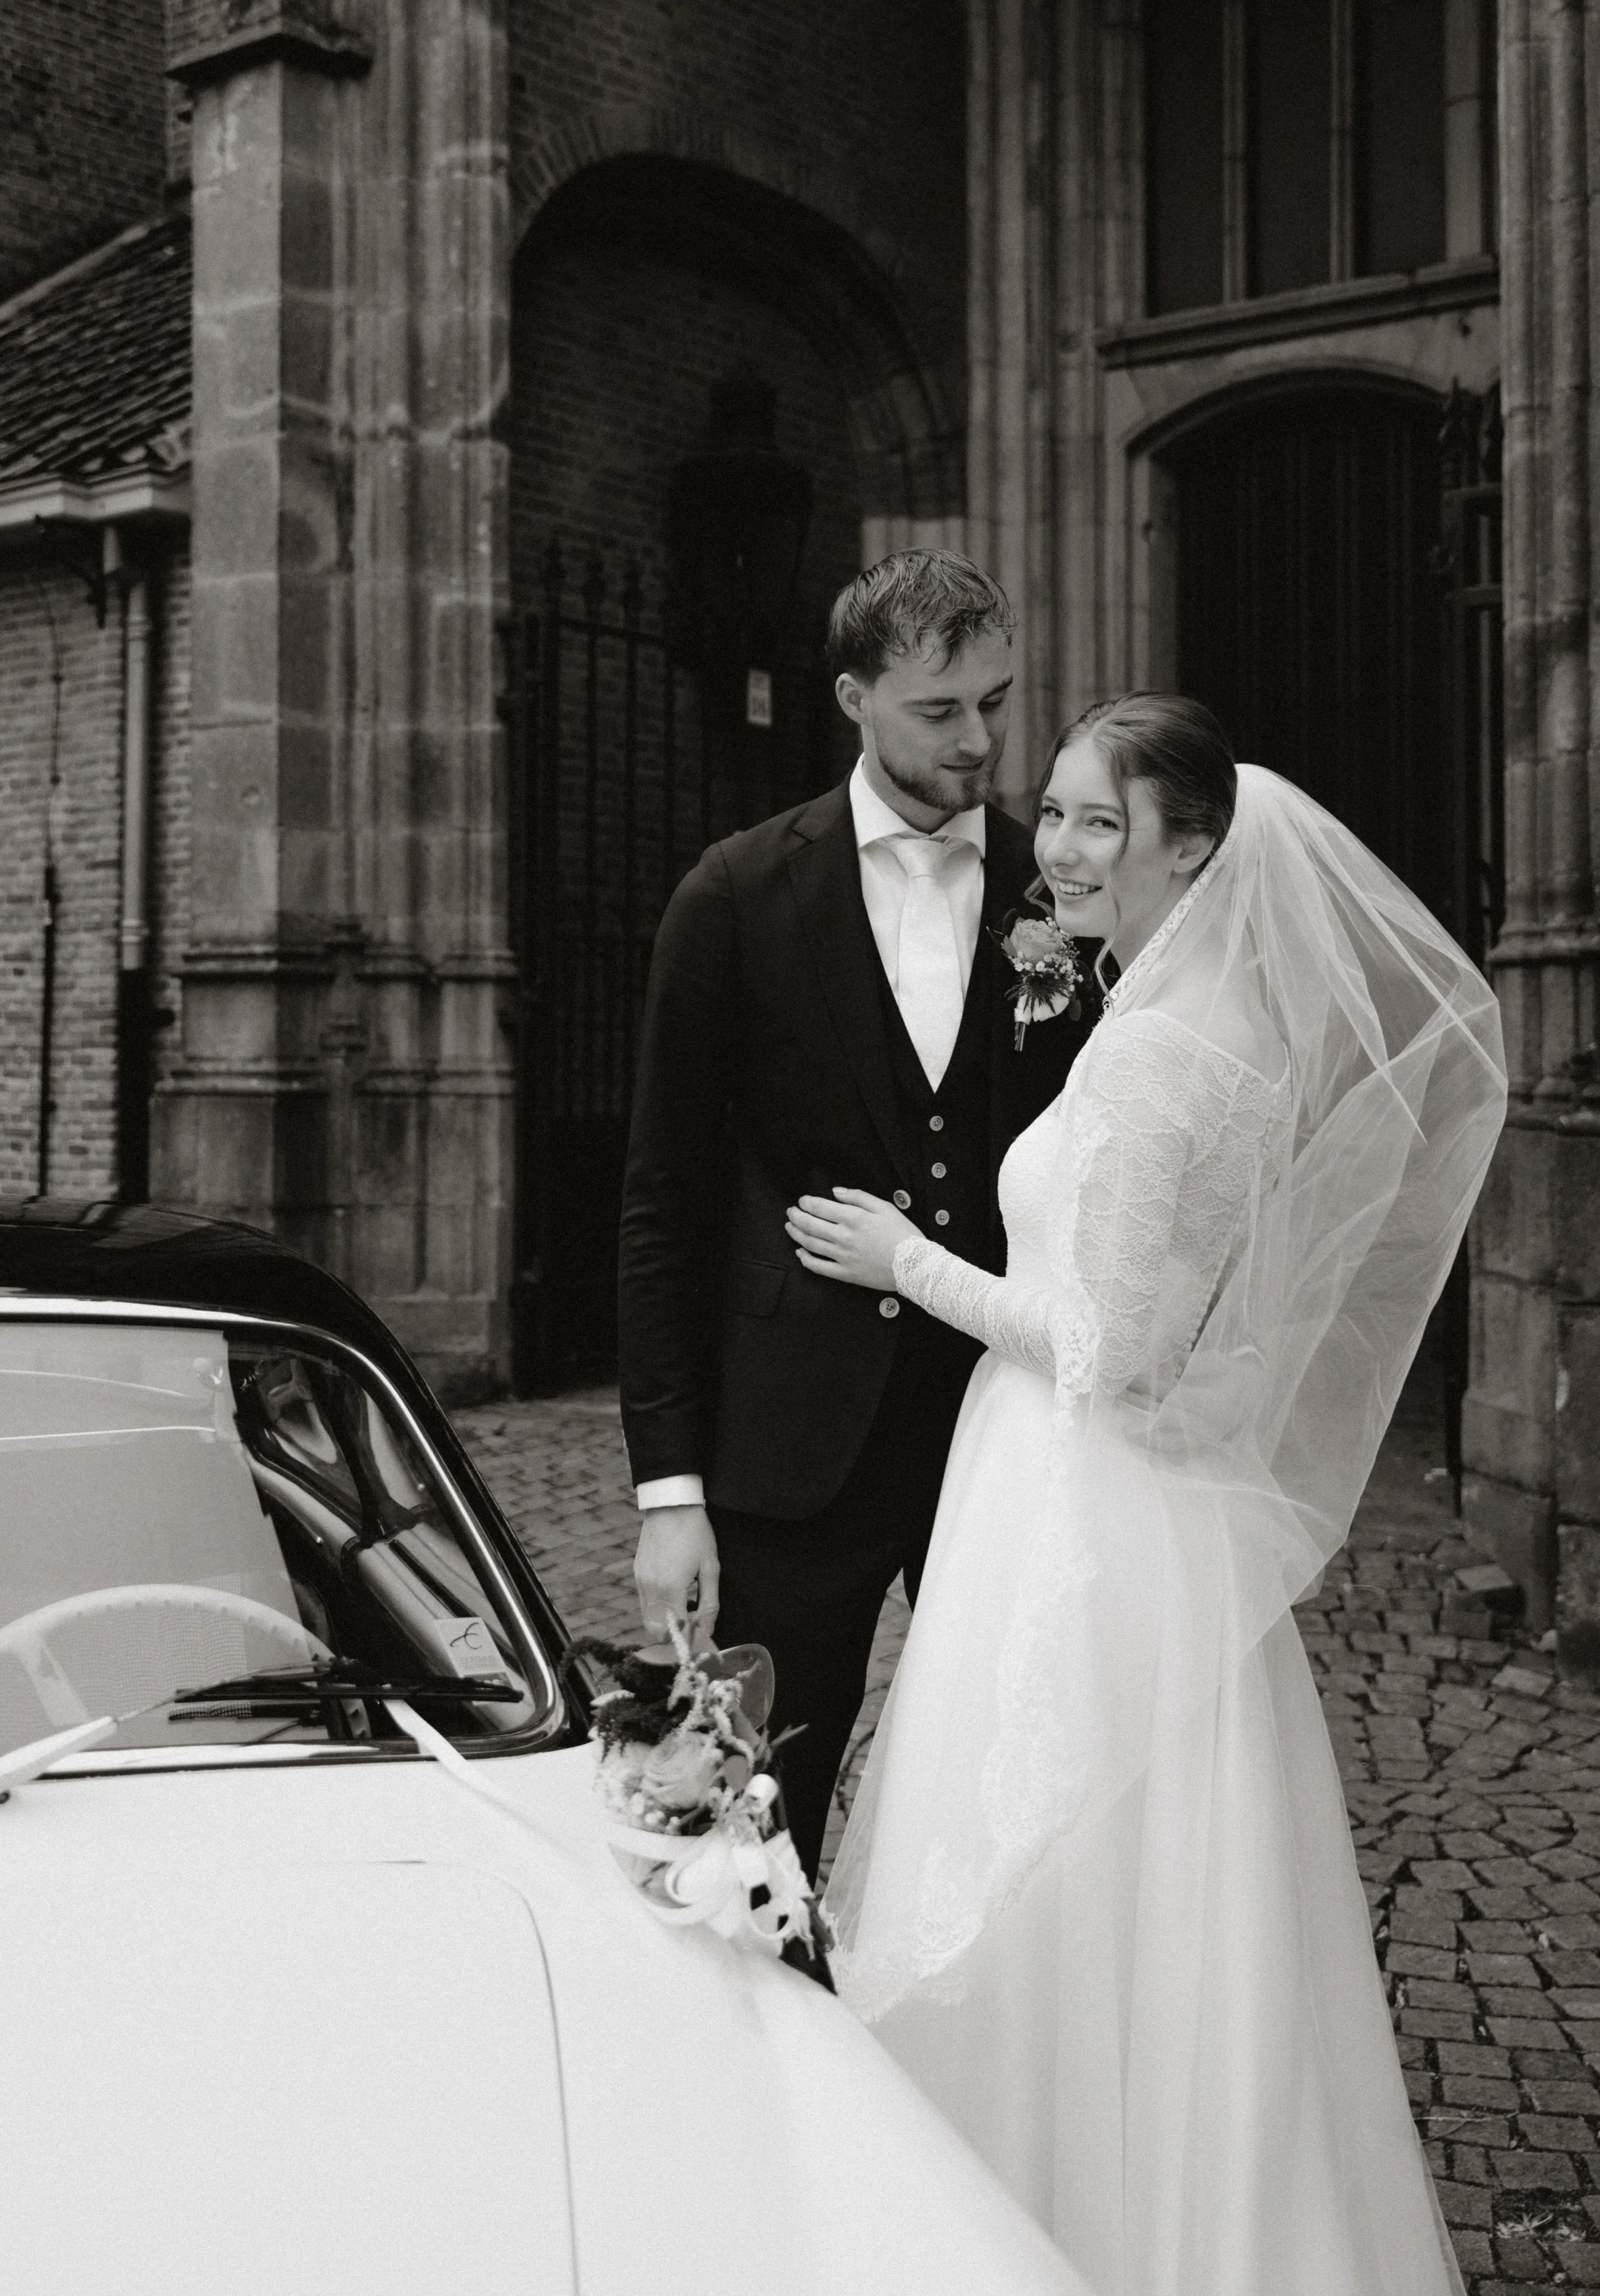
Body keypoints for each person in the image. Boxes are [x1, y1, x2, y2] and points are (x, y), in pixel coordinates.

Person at [787, 694, 1507, 2296]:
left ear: (1195, 848)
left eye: (1098, 822)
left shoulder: (1174, 1056)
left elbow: (1107, 1353)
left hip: (1077, 1498)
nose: (1056, 847)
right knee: (1134, 1880)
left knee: (1062, 1870)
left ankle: (1047, 2228)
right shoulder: (1179, 1016)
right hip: (1084, 1497)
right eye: (1050, 813)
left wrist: (906, 1261)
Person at [617, 551, 1091, 1883]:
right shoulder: (732, 896)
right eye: (939, 711)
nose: (980, 742)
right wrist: (669, 1493)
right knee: (737, 1827)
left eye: (994, 702)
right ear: (851, 698)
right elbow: (663, 1207)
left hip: (996, 1437)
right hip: (786, 1457)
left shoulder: (1056, 900)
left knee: (1013, 1818)